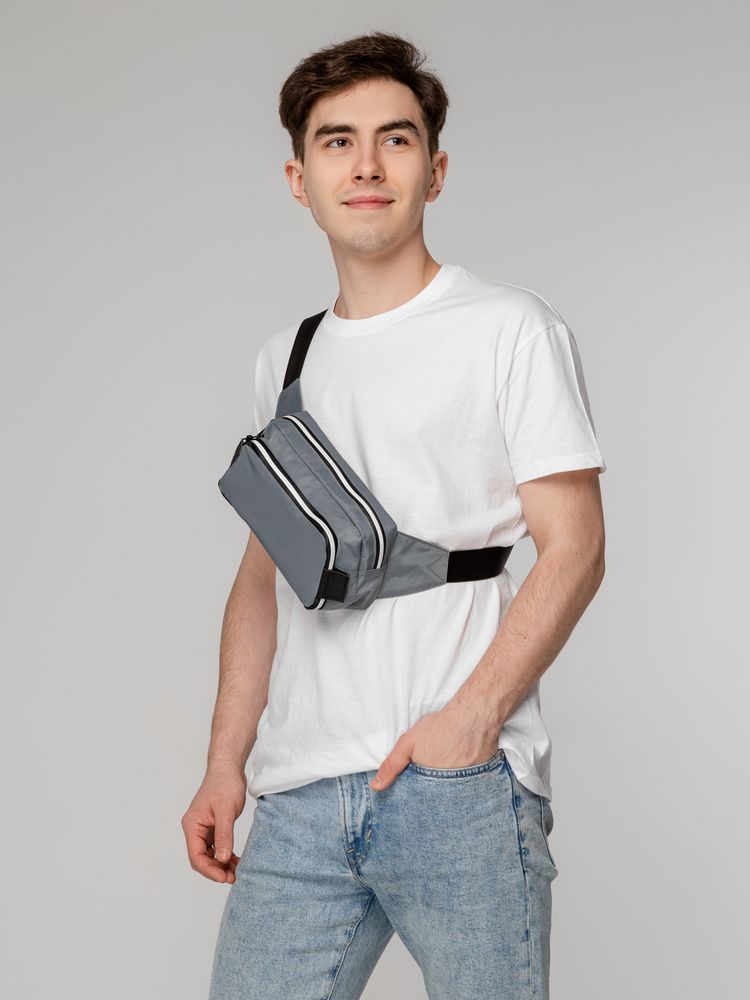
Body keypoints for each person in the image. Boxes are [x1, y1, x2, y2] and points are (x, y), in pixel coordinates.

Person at [182, 30, 607, 1000]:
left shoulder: (509, 329)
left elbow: (576, 549)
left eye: (396, 139)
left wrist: (470, 721)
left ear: (435, 170)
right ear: (300, 179)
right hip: (300, 792)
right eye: (337, 141)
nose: (367, 165)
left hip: (456, 784)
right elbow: (262, 578)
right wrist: (225, 765)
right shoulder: (285, 359)